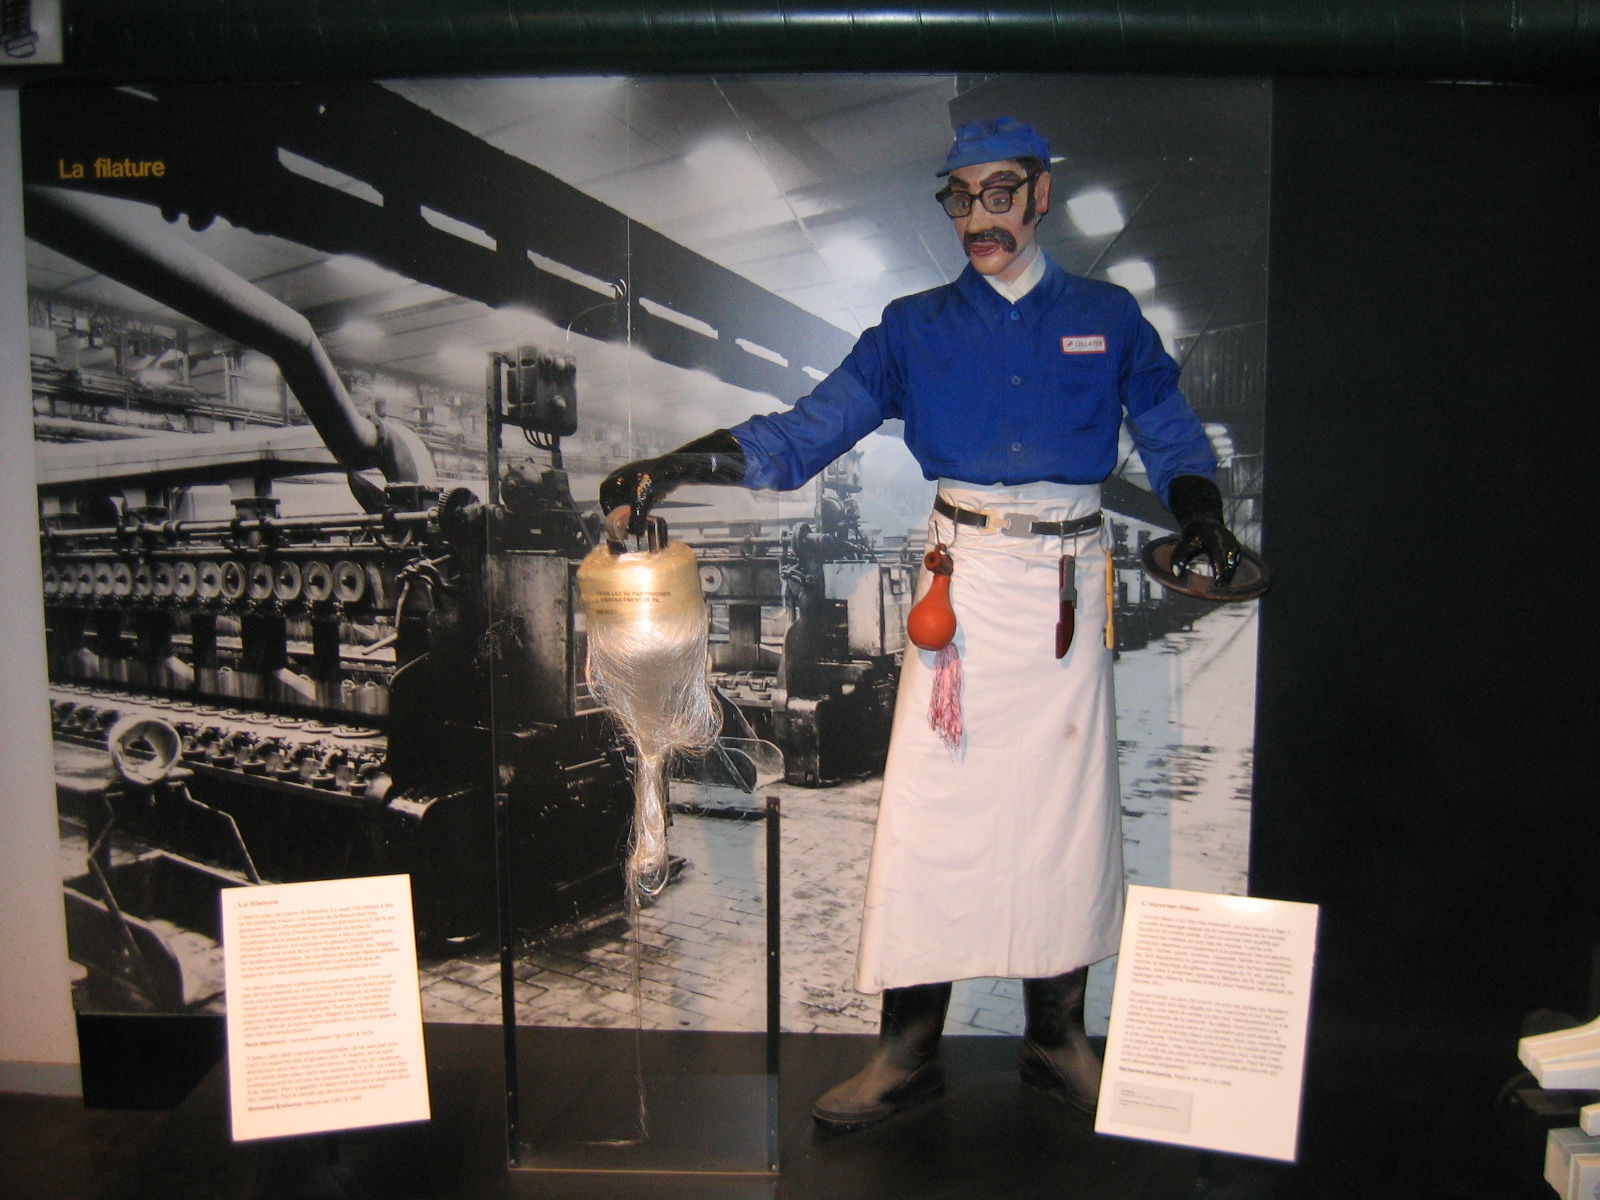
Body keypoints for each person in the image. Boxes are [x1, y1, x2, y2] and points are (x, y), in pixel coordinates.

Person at [600, 116, 1242, 1131]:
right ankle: (907, 1054)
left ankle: (1057, 1040)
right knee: (932, 820)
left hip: (1066, 591)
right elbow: (806, 431)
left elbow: (1166, 426)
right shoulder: (912, 328)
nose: (979, 216)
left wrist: (1199, 511)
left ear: (1040, 194)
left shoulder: (1107, 316)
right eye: (960, 196)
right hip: (964, 589)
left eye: (1001, 193)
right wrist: (674, 463)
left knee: (1066, 818)